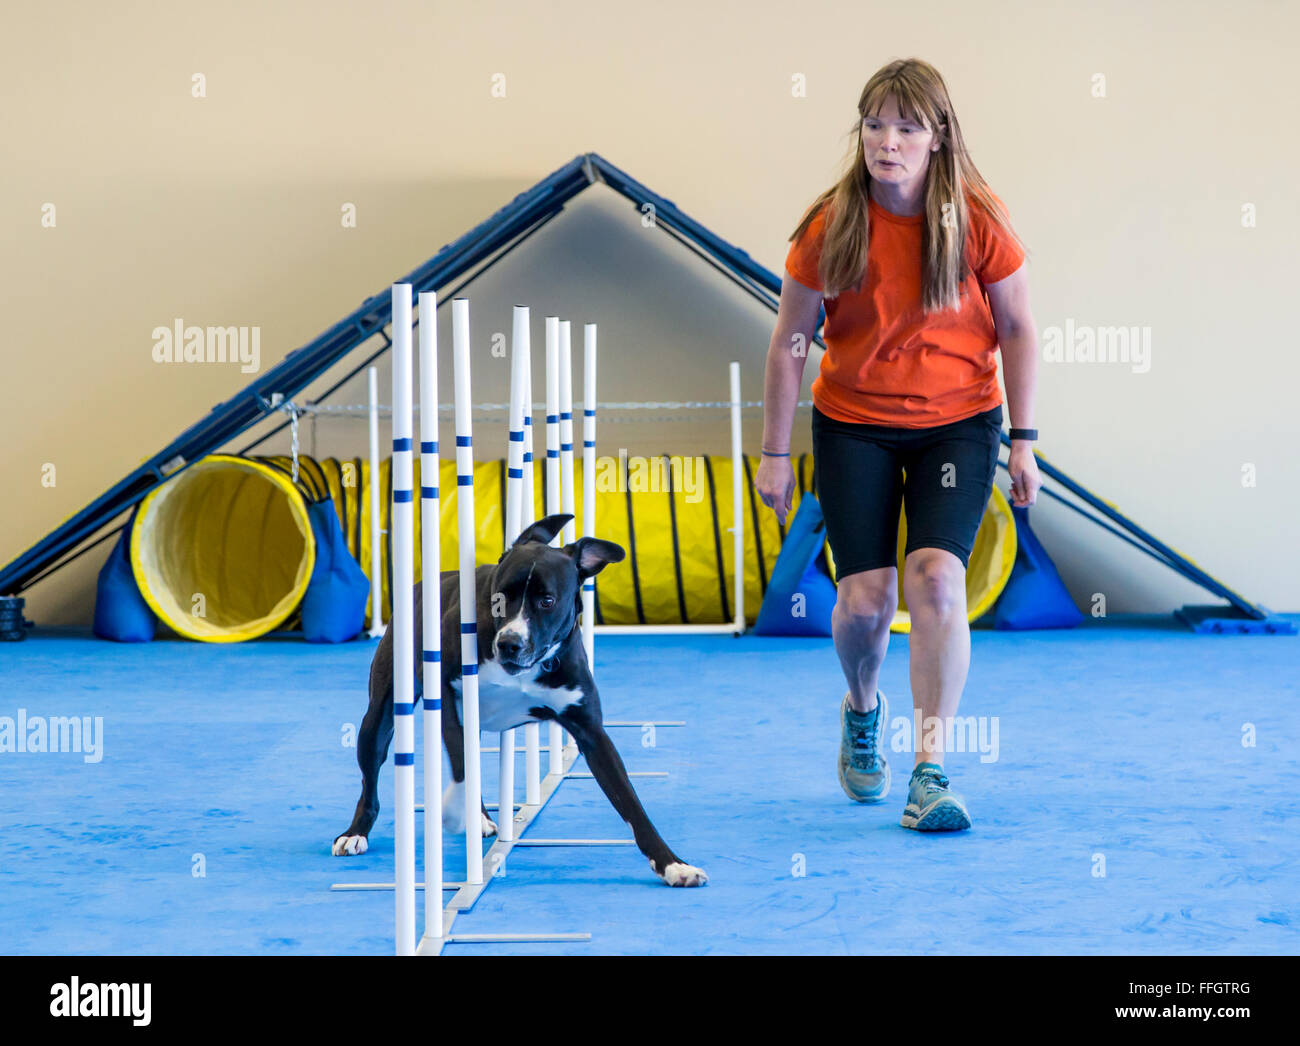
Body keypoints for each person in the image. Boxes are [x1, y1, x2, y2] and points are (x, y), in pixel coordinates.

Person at [755, 58, 1042, 831]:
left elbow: (1016, 326)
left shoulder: (978, 218)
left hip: (958, 420)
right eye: (875, 125)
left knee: (939, 581)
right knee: (864, 601)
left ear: (938, 137)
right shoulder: (831, 223)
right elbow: (789, 342)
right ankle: (860, 708)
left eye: (907, 127)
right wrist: (774, 452)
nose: (887, 141)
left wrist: (1025, 441)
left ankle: (930, 769)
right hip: (854, 423)